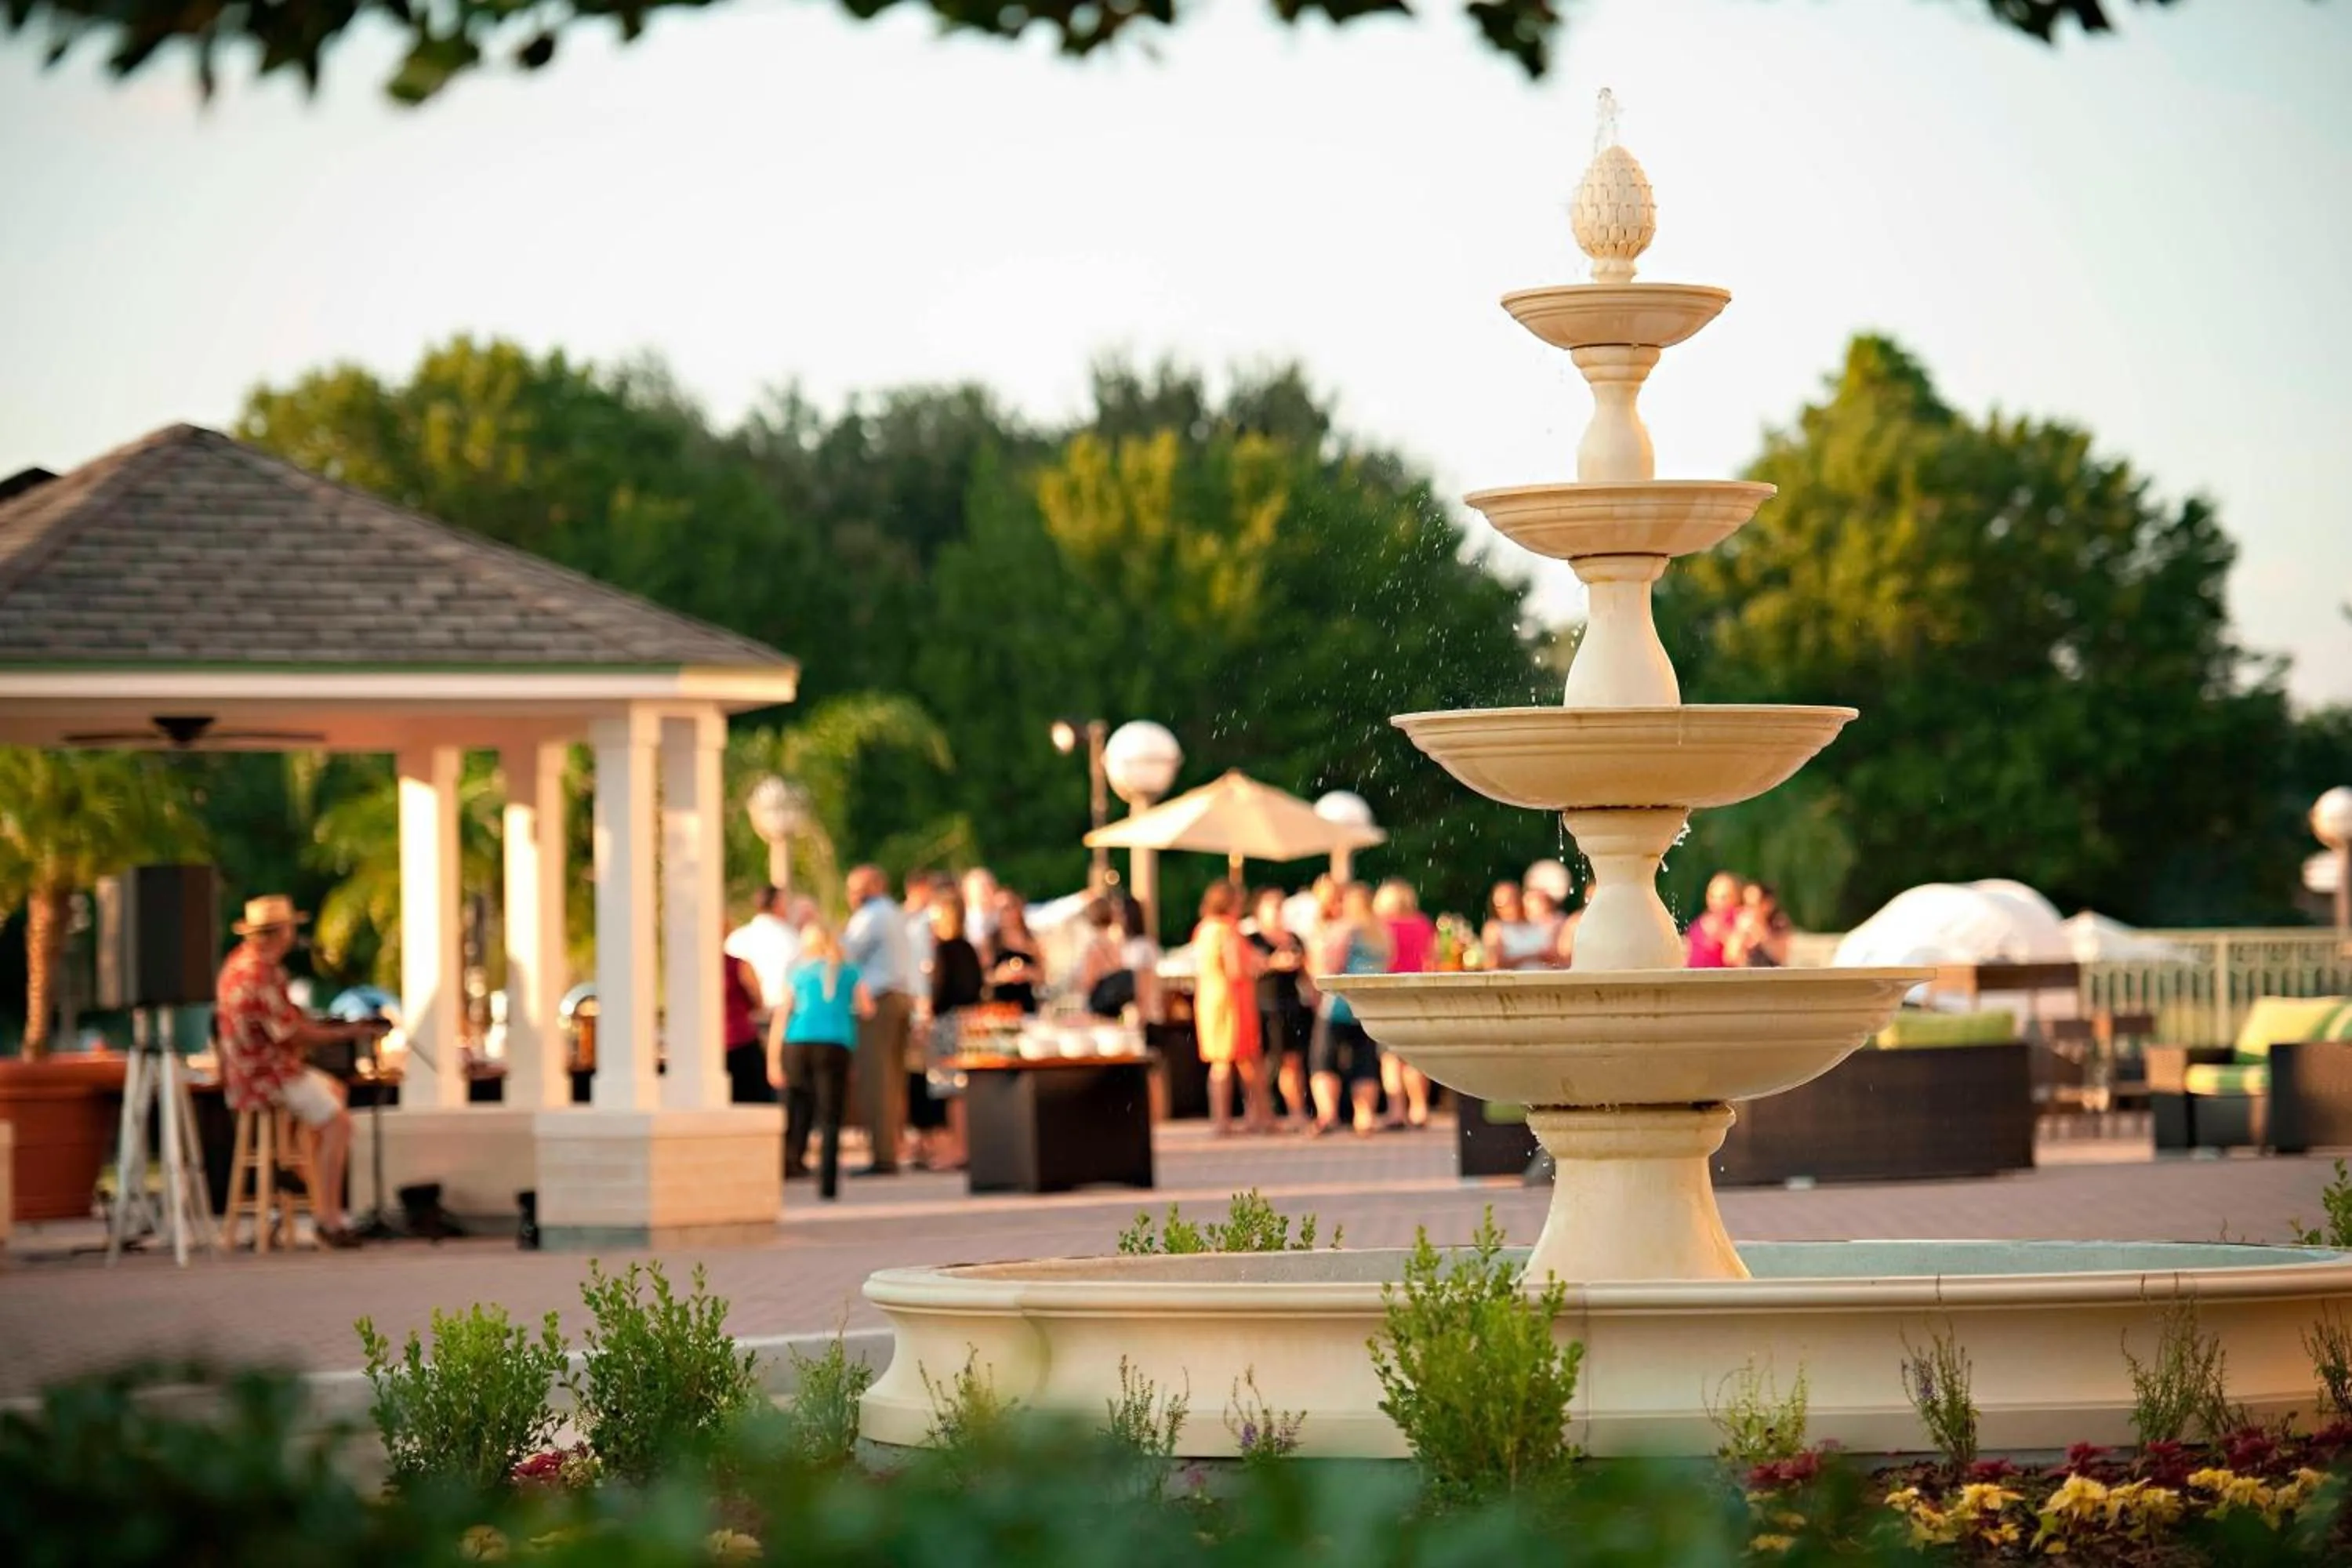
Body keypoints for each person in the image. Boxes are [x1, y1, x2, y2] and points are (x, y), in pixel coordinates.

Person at [212, 895, 384, 1248]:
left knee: (334, 1091)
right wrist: (348, 1032)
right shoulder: (262, 973)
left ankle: (297, 1167)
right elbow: (291, 1033)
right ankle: (329, 1218)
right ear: (281, 933)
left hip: (249, 1074)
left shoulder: (236, 965)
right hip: (267, 1076)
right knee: (339, 1124)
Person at [776, 922, 868, 1199]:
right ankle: (828, 1182)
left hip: (798, 1040)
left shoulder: (798, 972)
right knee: (830, 1115)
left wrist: (773, 1057)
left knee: (798, 1106)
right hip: (835, 1043)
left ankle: (792, 1162)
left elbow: (783, 1014)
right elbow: (866, 1007)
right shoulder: (849, 972)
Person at [842, 864, 916, 1175]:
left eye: (856, 889)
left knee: (877, 1080)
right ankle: (891, 1148)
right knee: (894, 1079)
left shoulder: (870, 916)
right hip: (900, 997)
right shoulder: (895, 914)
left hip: (878, 1002)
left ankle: (883, 1155)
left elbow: (845, 953)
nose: (851, 895)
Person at [1308, 882, 1392, 1136]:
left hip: (1339, 1004)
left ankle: (1328, 1115)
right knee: (1365, 1061)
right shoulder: (1380, 931)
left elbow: (1330, 966)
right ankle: (1364, 1117)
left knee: (1324, 1060)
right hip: (1369, 1005)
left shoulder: (1345, 929)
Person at [1192, 881, 1269, 1137]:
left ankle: (1222, 1118)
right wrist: (1263, 965)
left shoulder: (1205, 928)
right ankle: (1254, 1117)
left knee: (1222, 1061)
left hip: (1210, 998)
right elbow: (1235, 969)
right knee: (1241, 1060)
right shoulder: (1226, 930)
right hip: (1232, 1001)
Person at [924, 898, 987, 1171]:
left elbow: (938, 992)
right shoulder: (969, 949)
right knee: (965, 1089)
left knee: (951, 1089)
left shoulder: (944, 950)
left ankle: (959, 1150)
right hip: (970, 1022)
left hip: (949, 1022)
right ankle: (966, 1147)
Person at [1247, 886, 1312, 1132]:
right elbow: (1247, 969)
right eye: (1272, 906)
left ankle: (1296, 1112)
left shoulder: (1294, 939)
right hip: (1262, 1007)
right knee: (1262, 1065)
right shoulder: (1253, 939)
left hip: (1290, 1006)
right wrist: (1273, 963)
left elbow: (1307, 972)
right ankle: (1260, 1114)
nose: (1277, 911)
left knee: (1292, 1062)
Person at [1373, 879, 1435, 1129]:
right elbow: (1432, 959)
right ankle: (1419, 1108)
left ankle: (1396, 1111)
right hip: (1416, 992)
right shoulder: (1422, 923)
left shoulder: (1381, 926)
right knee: (1415, 1056)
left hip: (1389, 993)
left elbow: (1380, 960)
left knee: (1391, 1057)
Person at [723, 887, 800, 1024]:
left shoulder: (736, 939)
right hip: (782, 1015)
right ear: (778, 904)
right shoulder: (792, 938)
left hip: (745, 1018)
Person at [722, 927, 773, 1104]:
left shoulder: (738, 966)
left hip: (734, 1041)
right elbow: (757, 1001)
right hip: (738, 1040)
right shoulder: (738, 966)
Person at [984, 891, 1045, 1013]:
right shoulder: (990, 942)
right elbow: (983, 978)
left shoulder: (1032, 940)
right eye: (998, 910)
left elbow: (1043, 976)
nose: (1003, 914)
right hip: (1000, 1009)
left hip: (1027, 1007)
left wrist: (1026, 973)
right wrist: (1000, 975)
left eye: (1007, 908)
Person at [1076, 897, 1136, 1019]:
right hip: (1118, 1007)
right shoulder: (1120, 941)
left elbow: (1088, 982)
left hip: (1100, 1009)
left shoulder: (1095, 946)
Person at [1482, 881, 1552, 971]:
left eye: (1514, 900)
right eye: (1501, 904)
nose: (1511, 906)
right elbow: (1494, 962)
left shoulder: (1537, 925)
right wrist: (1530, 956)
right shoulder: (1495, 929)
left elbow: (1554, 957)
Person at [1116, 894, 1163, 1025]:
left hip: (1143, 1014)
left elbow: (1143, 983)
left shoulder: (1143, 947)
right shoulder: (1126, 946)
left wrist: (1141, 1012)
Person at [1686, 872, 1748, 969]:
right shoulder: (1702, 921)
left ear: (1737, 897)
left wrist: (1722, 934)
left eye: (1724, 897)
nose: (1717, 901)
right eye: (1713, 896)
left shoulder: (1741, 919)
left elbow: (1737, 958)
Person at [1729, 881, 1794, 968]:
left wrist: (1762, 935)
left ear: (1767, 904)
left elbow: (1781, 956)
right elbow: (1731, 957)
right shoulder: (1742, 922)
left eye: (1753, 905)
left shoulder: (1778, 922)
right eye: (1746, 904)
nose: (1749, 909)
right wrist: (1741, 936)